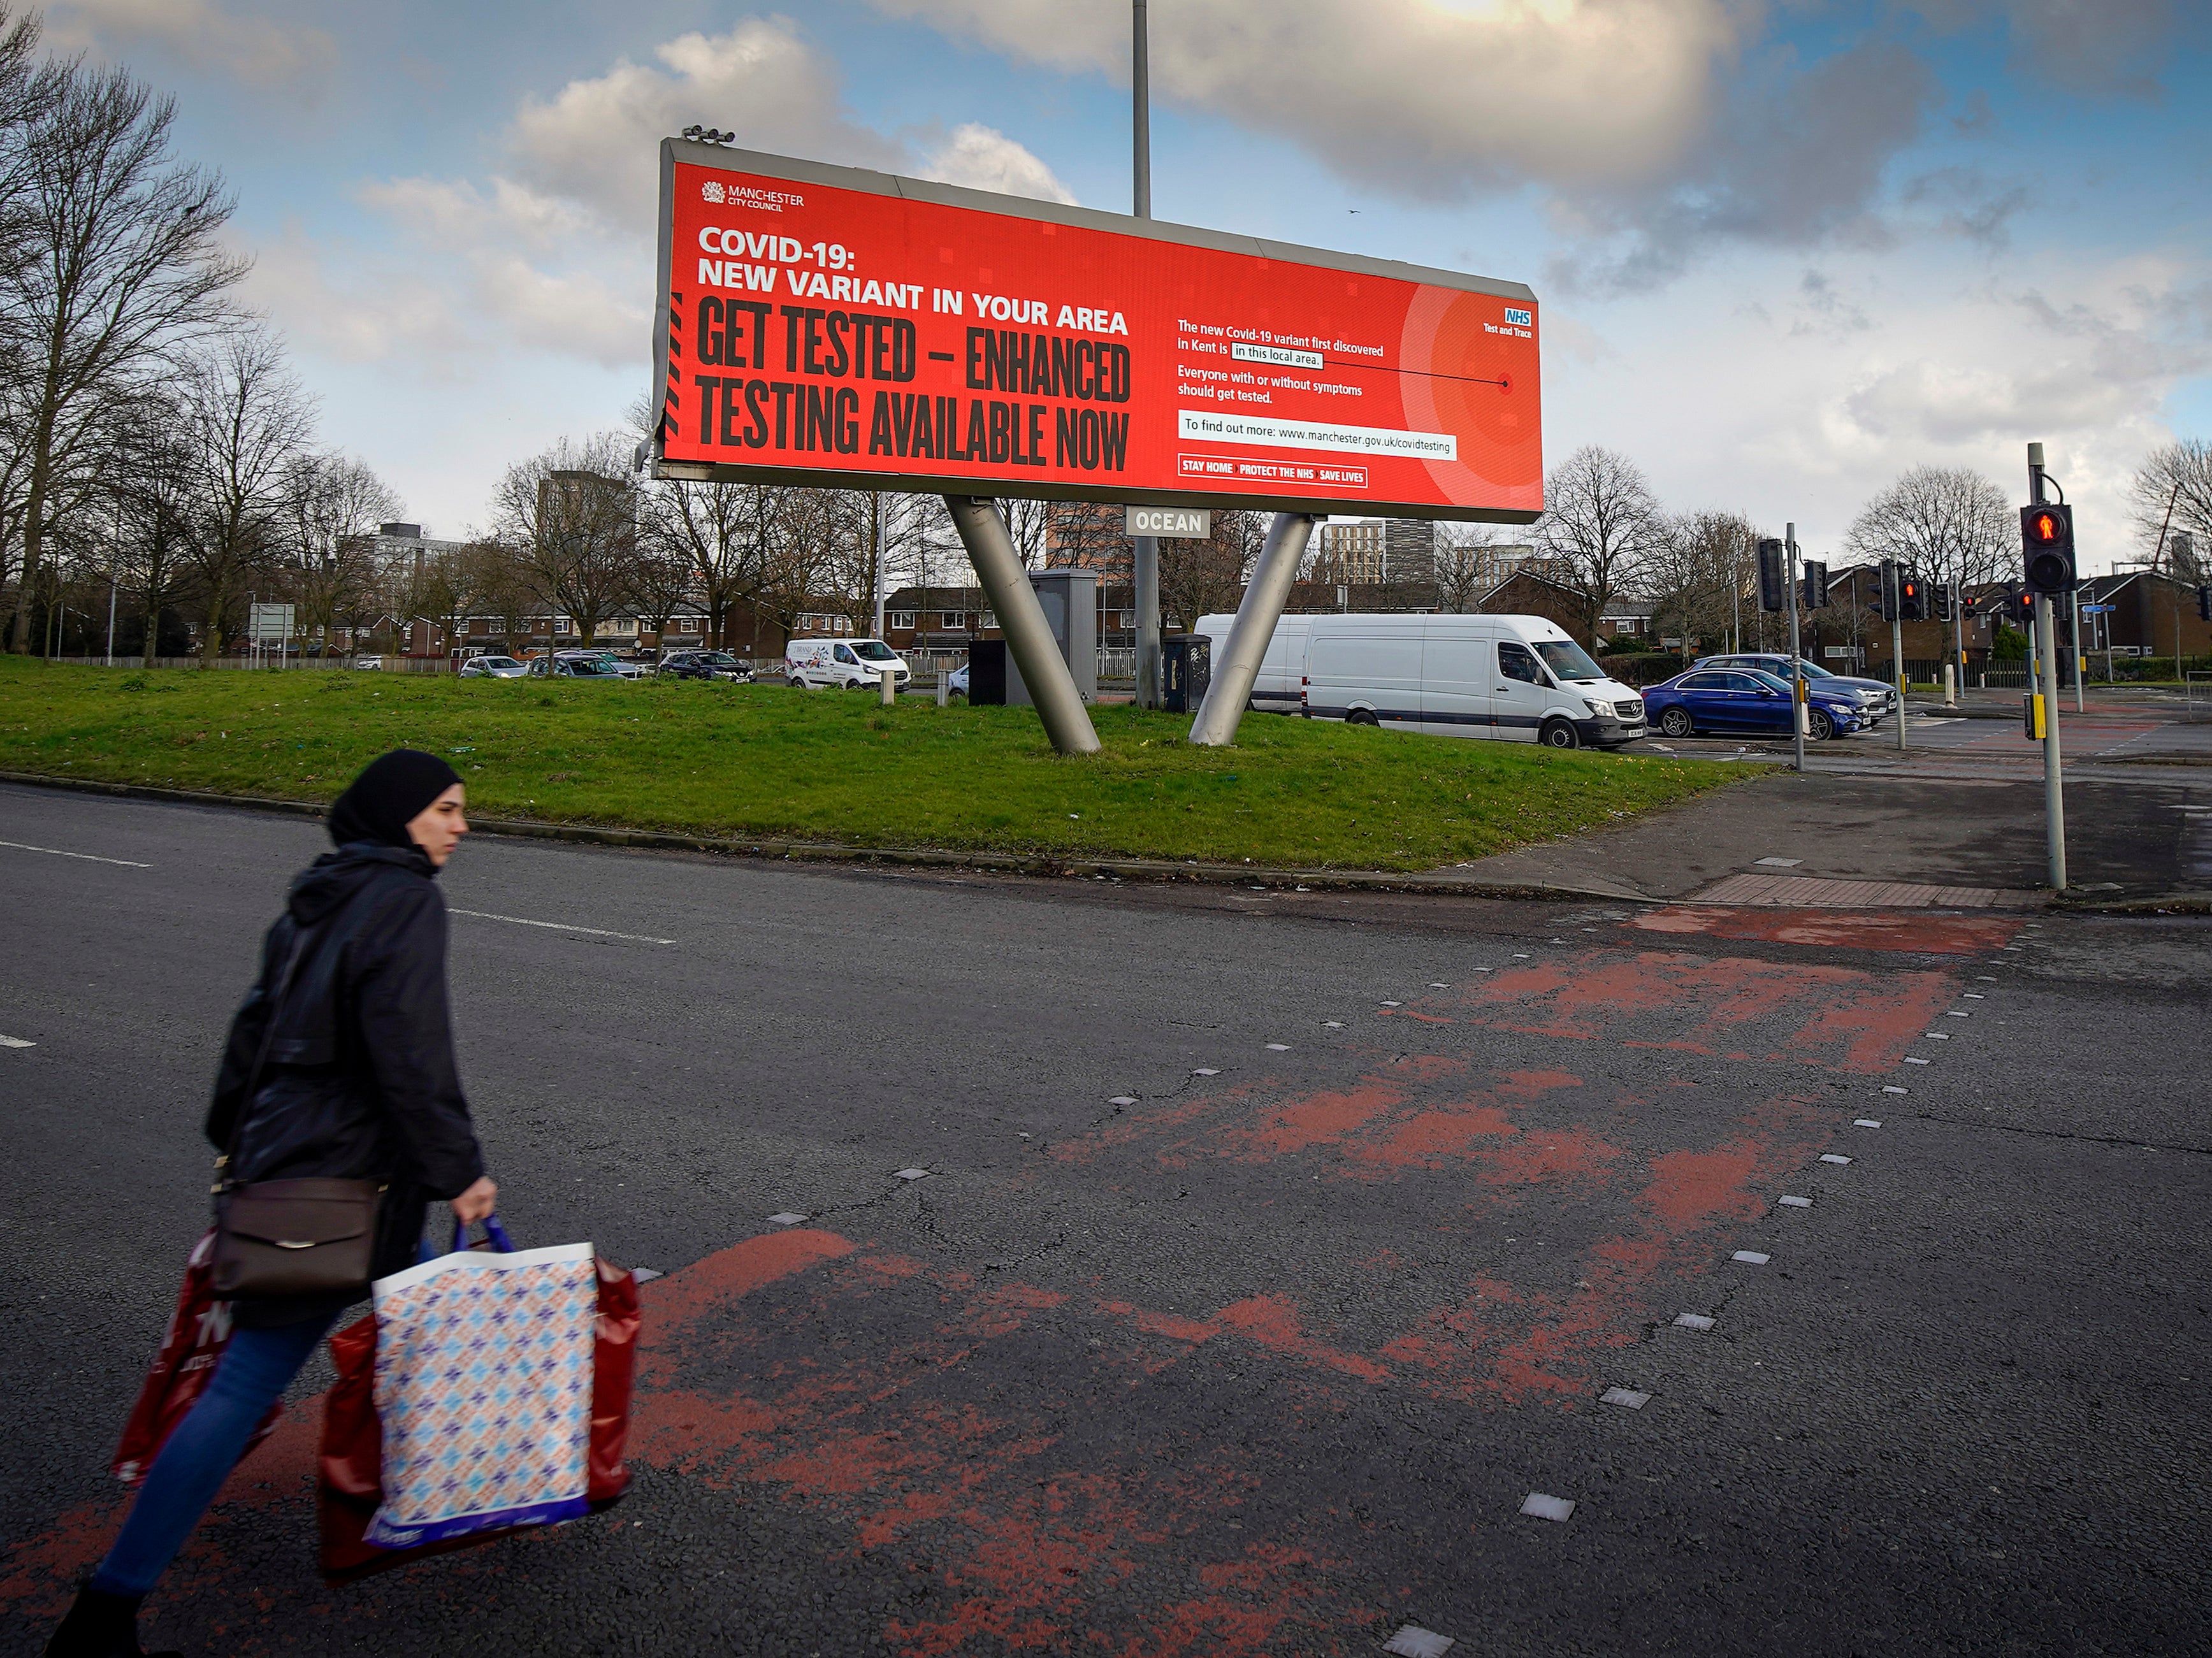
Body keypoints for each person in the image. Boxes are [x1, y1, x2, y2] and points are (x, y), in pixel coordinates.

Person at [47, 750, 497, 1658]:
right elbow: (408, 1049)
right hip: (347, 1184)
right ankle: (104, 1613)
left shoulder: (320, 893)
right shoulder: (405, 897)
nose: (460, 826)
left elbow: (252, 1031)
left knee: (413, 1326)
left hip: (292, 1165)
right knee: (252, 1378)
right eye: (446, 809)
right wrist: (461, 1168)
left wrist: (240, 1144)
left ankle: (456, 1487)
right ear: (402, 817)